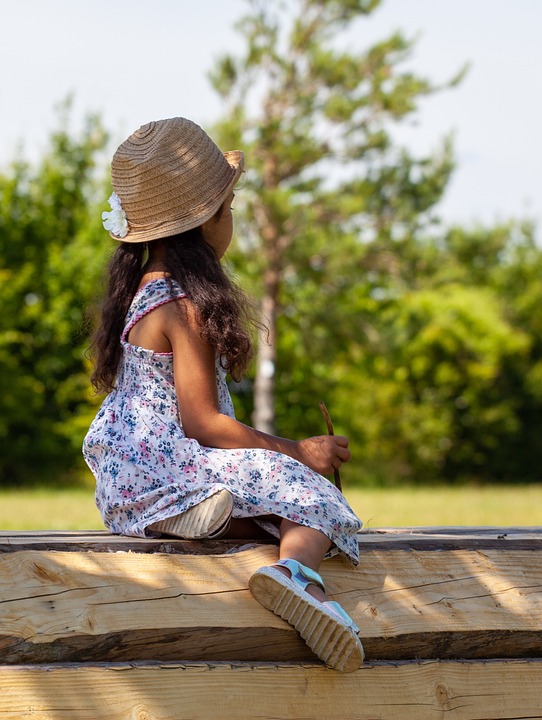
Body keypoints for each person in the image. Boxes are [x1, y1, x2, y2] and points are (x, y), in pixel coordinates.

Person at [83, 117, 364, 672]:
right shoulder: (185, 304)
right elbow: (203, 423)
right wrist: (298, 452)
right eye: (228, 208)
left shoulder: (142, 291)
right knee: (312, 497)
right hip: (180, 463)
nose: (231, 220)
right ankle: (297, 576)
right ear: (205, 220)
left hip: (130, 480)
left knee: (270, 514)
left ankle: (191, 514)